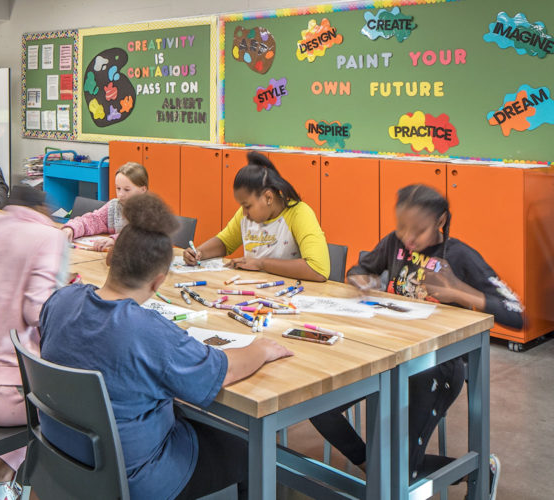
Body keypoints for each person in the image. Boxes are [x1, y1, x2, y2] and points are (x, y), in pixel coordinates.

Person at [39, 193, 293, 500]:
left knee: (180, 412)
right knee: (249, 453)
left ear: (112, 259)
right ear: (159, 282)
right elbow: (222, 372)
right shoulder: (148, 331)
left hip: (63, 456)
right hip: (135, 477)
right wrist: (262, 349)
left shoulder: (61, 300)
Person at [310, 184, 520, 492]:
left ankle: (474, 471)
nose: (407, 239)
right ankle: (376, 467)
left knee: (398, 473)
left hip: (437, 365)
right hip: (386, 355)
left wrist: (461, 292)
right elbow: (361, 268)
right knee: (317, 405)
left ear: (441, 221)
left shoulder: (460, 256)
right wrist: (362, 279)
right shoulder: (395, 244)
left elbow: (516, 313)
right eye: (401, 228)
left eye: (418, 231)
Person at [0, 186, 69, 500]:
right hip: (7, 396)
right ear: (43, 211)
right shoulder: (48, 237)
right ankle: (1, 485)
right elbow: (37, 312)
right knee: (77, 402)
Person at [183, 152, 330, 282]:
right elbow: (225, 242)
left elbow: (318, 269)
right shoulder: (245, 215)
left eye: (247, 206)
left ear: (268, 197)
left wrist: (261, 264)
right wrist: (199, 253)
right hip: (254, 292)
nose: (244, 213)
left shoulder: (299, 213)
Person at [61, 162, 149, 251]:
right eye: (118, 188)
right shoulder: (114, 206)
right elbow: (93, 220)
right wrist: (71, 228)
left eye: (127, 189)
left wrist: (114, 240)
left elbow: (141, 235)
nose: (121, 194)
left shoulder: (150, 210)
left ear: (143, 190)